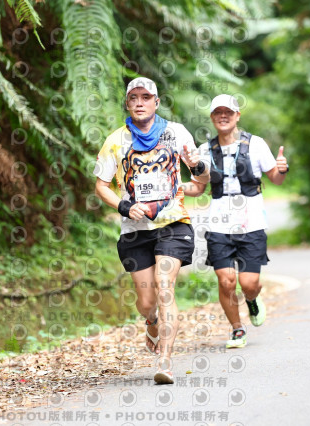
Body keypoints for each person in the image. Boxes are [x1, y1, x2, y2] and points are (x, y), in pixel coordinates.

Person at [94, 77, 209, 384]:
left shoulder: (177, 133)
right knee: (147, 302)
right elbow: (101, 185)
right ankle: (151, 320)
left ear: (156, 102)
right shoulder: (115, 141)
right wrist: (124, 206)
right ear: (127, 103)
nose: (140, 102)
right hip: (135, 230)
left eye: (146, 97)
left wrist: (198, 166)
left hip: (173, 224)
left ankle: (165, 361)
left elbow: (201, 183)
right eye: (134, 97)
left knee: (165, 286)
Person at [183, 94, 288, 349]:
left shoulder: (256, 144)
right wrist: (176, 186)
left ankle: (252, 299)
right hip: (218, 225)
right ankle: (237, 329)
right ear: (212, 117)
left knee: (249, 284)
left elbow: (275, 178)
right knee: (226, 280)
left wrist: (282, 168)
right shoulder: (205, 150)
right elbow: (199, 187)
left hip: (252, 222)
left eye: (228, 112)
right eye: (218, 112)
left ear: (237, 116)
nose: (223, 116)